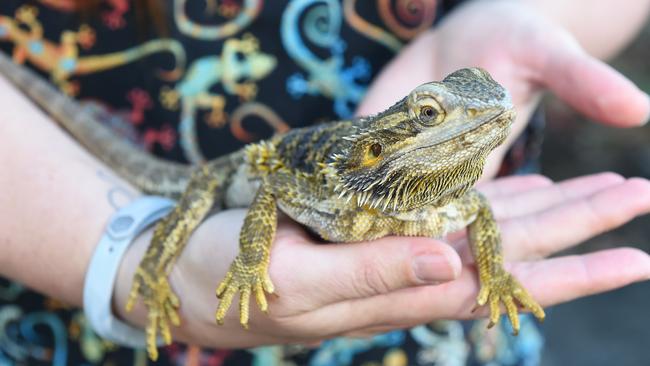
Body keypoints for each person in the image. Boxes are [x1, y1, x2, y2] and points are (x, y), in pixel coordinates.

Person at [1, 0, 649, 365]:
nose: (473, 120)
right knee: (187, 201)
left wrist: (497, 274)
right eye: (430, 117)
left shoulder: (448, 196)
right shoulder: (339, 192)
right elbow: (277, 192)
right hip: (60, 258)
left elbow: (478, 208)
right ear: (381, 142)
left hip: (439, 346)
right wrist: (122, 253)